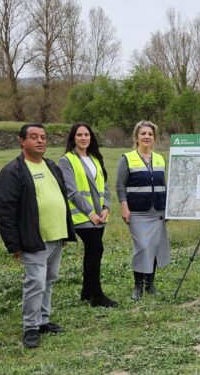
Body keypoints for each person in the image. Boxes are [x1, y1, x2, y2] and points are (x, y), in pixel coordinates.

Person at [0, 123, 76, 348]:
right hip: (33, 239)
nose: (40, 141)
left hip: (56, 236)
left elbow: (60, 198)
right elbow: (4, 210)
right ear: (22, 141)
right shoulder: (13, 171)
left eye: (43, 137)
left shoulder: (51, 166)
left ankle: (43, 321)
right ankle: (30, 327)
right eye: (34, 137)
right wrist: (14, 244)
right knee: (36, 283)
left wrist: (64, 232)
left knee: (48, 280)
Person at [59, 122, 116, 308]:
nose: (84, 138)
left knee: (91, 253)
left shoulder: (94, 158)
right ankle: (97, 297)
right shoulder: (67, 160)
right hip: (83, 217)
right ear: (73, 138)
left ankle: (86, 291)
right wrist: (90, 213)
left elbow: (104, 186)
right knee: (96, 250)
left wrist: (106, 207)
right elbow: (71, 191)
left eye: (87, 134)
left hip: (99, 217)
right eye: (79, 135)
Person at [116, 120, 170, 300]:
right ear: (136, 137)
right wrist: (124, 207)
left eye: (150, 134)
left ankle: (150, 285)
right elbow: (120, 185)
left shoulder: (160, 158)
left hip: (158, 211)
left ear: (154, 138)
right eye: (143, 134)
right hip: (138, 211)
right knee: (143, 246)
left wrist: (168, 208)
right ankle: (137, 286)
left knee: (153, 246)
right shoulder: (127, 158)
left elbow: (164, 185)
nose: (147, 137)